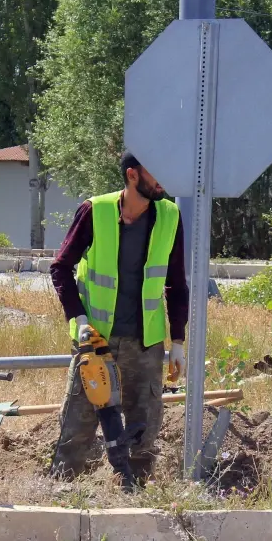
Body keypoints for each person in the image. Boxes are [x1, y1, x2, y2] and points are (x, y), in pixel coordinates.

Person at [49, 151, 190, 483]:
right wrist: (80, 321)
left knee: (145, 428)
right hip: (96, 341)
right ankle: (60, 492)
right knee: (77, 426)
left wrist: (179, 342)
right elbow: (60, 268)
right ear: (132, 175)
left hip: (145, 345)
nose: (162, 181)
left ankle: (136, 491)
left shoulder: (170, 216)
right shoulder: (94, 211)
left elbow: (176, 283)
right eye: (154, 173)